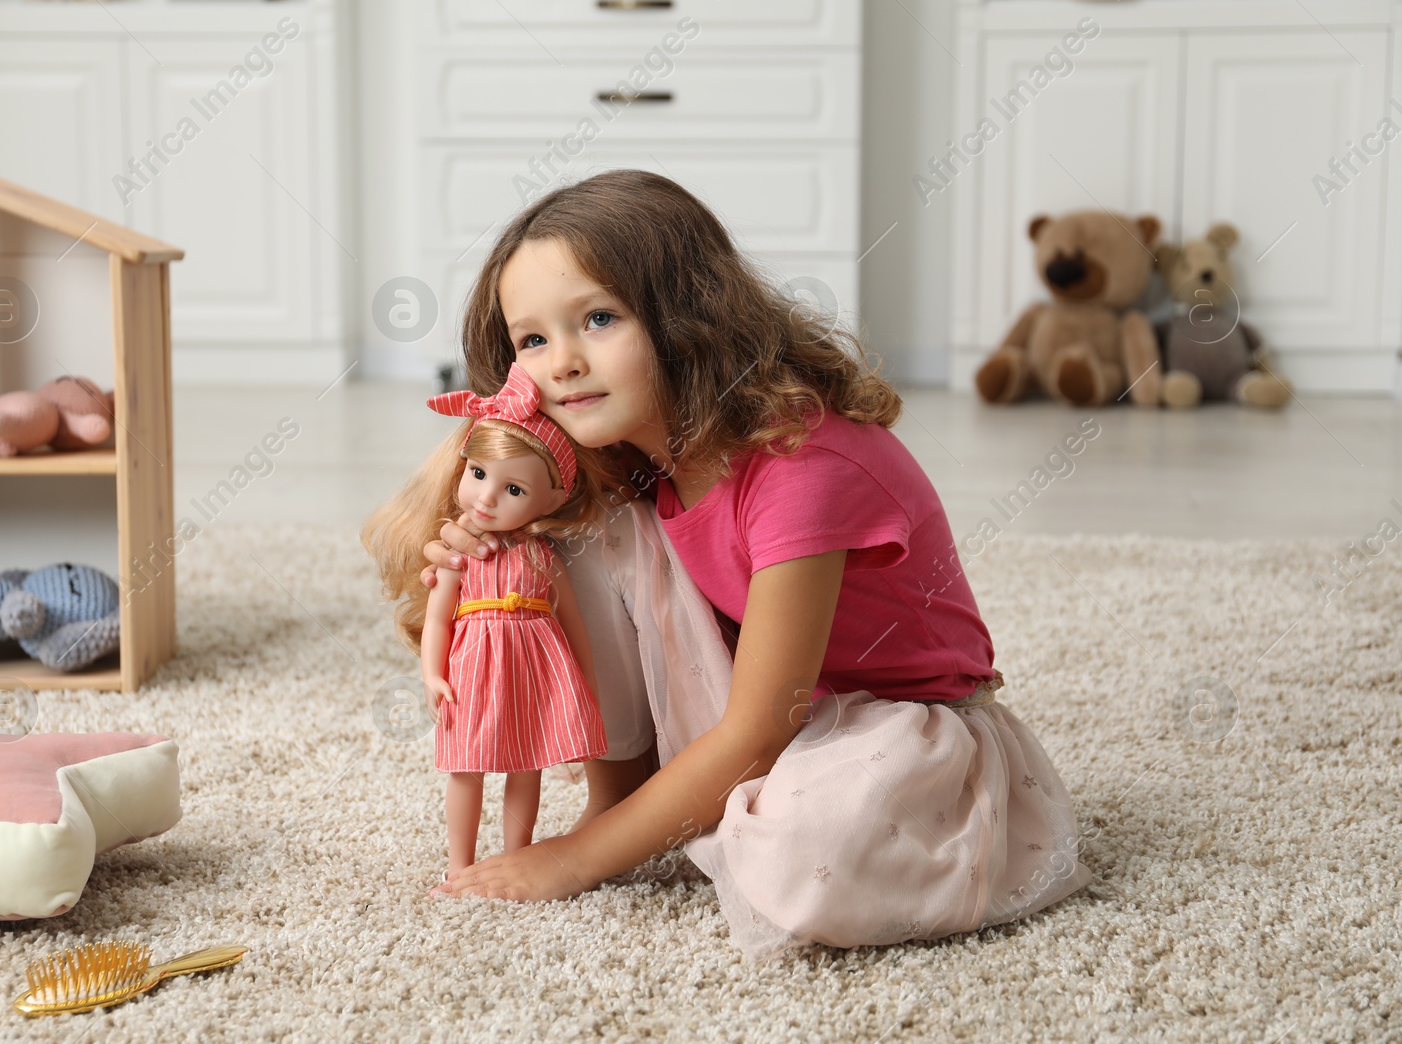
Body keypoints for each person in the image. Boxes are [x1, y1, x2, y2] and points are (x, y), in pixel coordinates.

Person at [418, 169, 1093, 959]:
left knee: (813, 852)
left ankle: (663, 819)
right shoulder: (631, 453)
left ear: (686, 317)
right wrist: (478, 552)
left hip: (902, 726)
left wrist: (571, 862)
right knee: (560, 530)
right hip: (769, 698)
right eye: (532, 338)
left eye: (598, 318)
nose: (561, 362)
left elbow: (758, 727)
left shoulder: (800, 459)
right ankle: (623, 796)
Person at [363, 364, 617, 880]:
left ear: (553, 499)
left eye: (514, 490)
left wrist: (582, 688)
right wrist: (432, 674)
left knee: (527, 765)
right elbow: (439, 622)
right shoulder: (462, 553)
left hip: (532, 672)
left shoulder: (544, 558)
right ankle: (460, 865)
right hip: (474, 672)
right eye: (477, 475)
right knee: (466, 766)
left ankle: (514, 852)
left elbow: (572, 627)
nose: (485, 497)